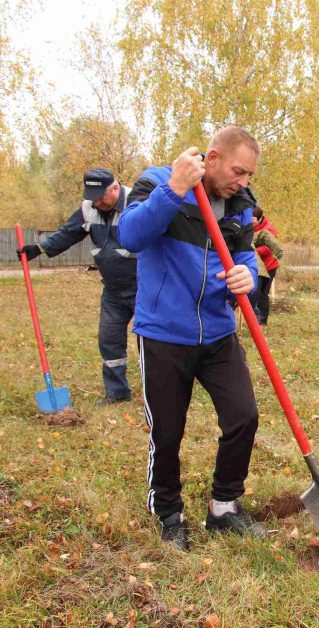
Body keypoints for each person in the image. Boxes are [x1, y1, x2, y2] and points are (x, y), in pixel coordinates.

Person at [118, 126, 267, 550]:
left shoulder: (239, 205)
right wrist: (174, 190)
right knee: (167, 431)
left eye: (250, 175)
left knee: (243, 416)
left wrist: (248, 275)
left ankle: (224, 507)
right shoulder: (157, 181)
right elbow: (130, 236)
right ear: (214, 157)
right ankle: (168, 512)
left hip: (218, 332)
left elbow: (244, 255)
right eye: (239, 171)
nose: (244, 182)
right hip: (165, 333)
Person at [17, 168, 136, 405]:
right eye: (92, 195)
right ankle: (117, 392)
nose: (96, 201)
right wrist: (39, 249)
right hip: (113, 290)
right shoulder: (88, 208)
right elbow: (67, 233)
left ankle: (159, 390)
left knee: (150, 342)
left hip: (145, 286)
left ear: (115, 187)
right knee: (109, 339)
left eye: (101, 195)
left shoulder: (137, 201)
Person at [249, 205, 282, 326]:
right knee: (255, 293)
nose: (251, 224)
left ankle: (262, 321)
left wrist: (252, 250)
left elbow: (269, 248)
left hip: (269, 267)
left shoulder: (268, 229)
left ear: (260, 218)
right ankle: (256, 321)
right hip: (256, 267)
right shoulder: (249, 228)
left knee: (262, 294)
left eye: (253, 222)